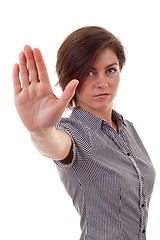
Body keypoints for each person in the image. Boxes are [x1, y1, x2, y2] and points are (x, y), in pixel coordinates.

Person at [12, 26, 155, 240]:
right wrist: (40, 132)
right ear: (70, 77)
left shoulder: (128, 128)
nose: (102, 83)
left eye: (110, 70)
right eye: (89, 72)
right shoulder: (74, 132)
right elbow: (54, 144)